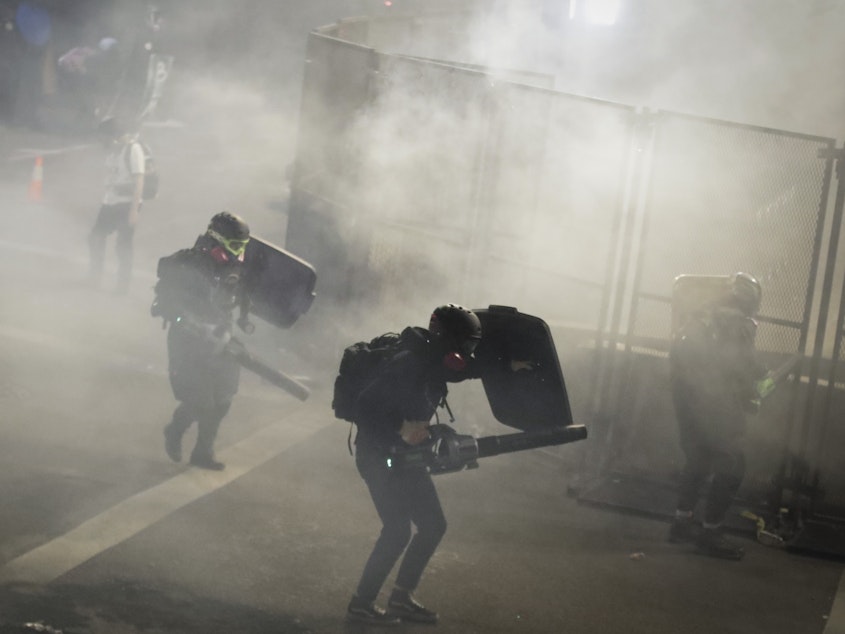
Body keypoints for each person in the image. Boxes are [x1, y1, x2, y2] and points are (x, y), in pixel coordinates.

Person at [346, 304, 483, 626]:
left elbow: (467, 369)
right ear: (450, 339)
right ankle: (361, 604)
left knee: (433, 525)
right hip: (379, 455)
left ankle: (400, 598)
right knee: (396, 531)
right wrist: (400, 432)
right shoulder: (409, 363)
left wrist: (509, 365)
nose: (468, 353)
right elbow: (365, 405)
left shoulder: (435, 360)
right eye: (467, 344)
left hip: (404, 456)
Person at [667, 272, 770, 560]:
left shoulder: (702, 317)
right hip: (712, 402)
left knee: (699, 459)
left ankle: (681, 523)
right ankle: (711, 533)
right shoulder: (736, 322)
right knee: (733, 463)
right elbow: (739, 365)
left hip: (686, 400)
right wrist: (757, 385)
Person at [150, 212, 252, 471]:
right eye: (234, 246)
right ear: (217, 241)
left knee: (223, 398)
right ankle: (175, 430)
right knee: (200, 402)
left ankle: (202, 452)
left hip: (222, 337)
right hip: (188, 342)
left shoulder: (234, 267)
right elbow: (168, 305)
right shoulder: (190, 264)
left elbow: (240, 298)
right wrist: (197, 326)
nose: (238, 253)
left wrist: (232, 327)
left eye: (242, 247)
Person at [87, 116, 145, 293]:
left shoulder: (133, 149)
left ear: (112, 135)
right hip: (110, 202)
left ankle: (122, 286)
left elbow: (139, 180)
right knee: (95, 237)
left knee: (123, 245)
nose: (100, 141)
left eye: (102, 136)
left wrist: (134, 210)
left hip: (126, 204)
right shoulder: (114, 150)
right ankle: (95, 277)